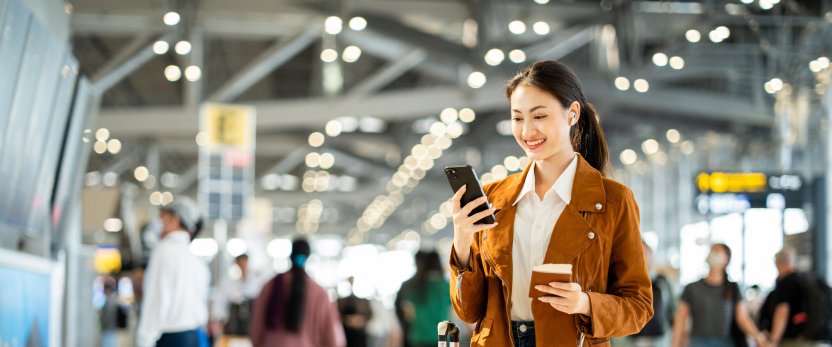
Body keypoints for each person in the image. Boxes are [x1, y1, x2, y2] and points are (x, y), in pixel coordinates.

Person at [448, 60, 653, 346]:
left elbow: (639, 307)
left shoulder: (614, 200)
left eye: (539, 116)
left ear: (572, 114)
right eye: (517, 118)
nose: (527, 131)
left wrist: (585, 303)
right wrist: (462, 240)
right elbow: (468, 311)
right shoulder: (494, 198)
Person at [136, 197, 210, 347]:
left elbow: (156, 301)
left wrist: (144, 340)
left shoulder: (164, 251)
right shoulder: (197, 261)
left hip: (170, 339)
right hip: (194, 336)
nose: (158, 221)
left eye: (162, 216)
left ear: (174, 218)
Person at [249, 238, 346, 347]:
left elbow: (256, 329)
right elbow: (332, 337)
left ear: (290, 255)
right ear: (308, 257)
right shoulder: (320, 293)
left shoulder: (269, 286)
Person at [671, 243, 768, 347]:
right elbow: (680, 320)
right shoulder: (692, 288)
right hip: (699, 342)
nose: (712, 254)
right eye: (711, 250)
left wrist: (757, 336)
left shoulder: (732, 288)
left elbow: (742, 318)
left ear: (726, 260)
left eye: (716, 251)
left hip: (726, 342)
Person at [396, 250, 451, 347]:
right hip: (443, 337)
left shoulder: (412, 287)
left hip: (418, 337)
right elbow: (452, 313)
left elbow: (409, 315)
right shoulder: (448, 287)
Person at [764, 247, 811, 347]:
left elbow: (782, 311)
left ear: (778, 263)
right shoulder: (804, 280)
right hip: (812, 339)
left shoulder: (786, 283)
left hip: (793, 341)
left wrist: (773, 341)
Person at [632, 242, 673, 347]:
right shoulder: (623, 282)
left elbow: (673, 308)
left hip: (659, 338)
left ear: (651, 255)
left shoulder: (662, 281)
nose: (642, 257)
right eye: (638, 253)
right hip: (631, 338)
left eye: (645, 253)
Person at [212, 253, 262, 340]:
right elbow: (219, 302)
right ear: (236, 263)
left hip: (251, 323)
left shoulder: (256, 282)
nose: (243, 265)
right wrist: (220, 320)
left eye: (245, 262)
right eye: (240, 262)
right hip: (232, 322)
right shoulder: (227, 282)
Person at [338, 276, 373, 347]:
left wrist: (360, 320)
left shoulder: (364, 301)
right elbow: (336, 315)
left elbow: (369, 315)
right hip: (346, 333)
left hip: (360, 335)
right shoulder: (341, 301)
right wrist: (347, 320)